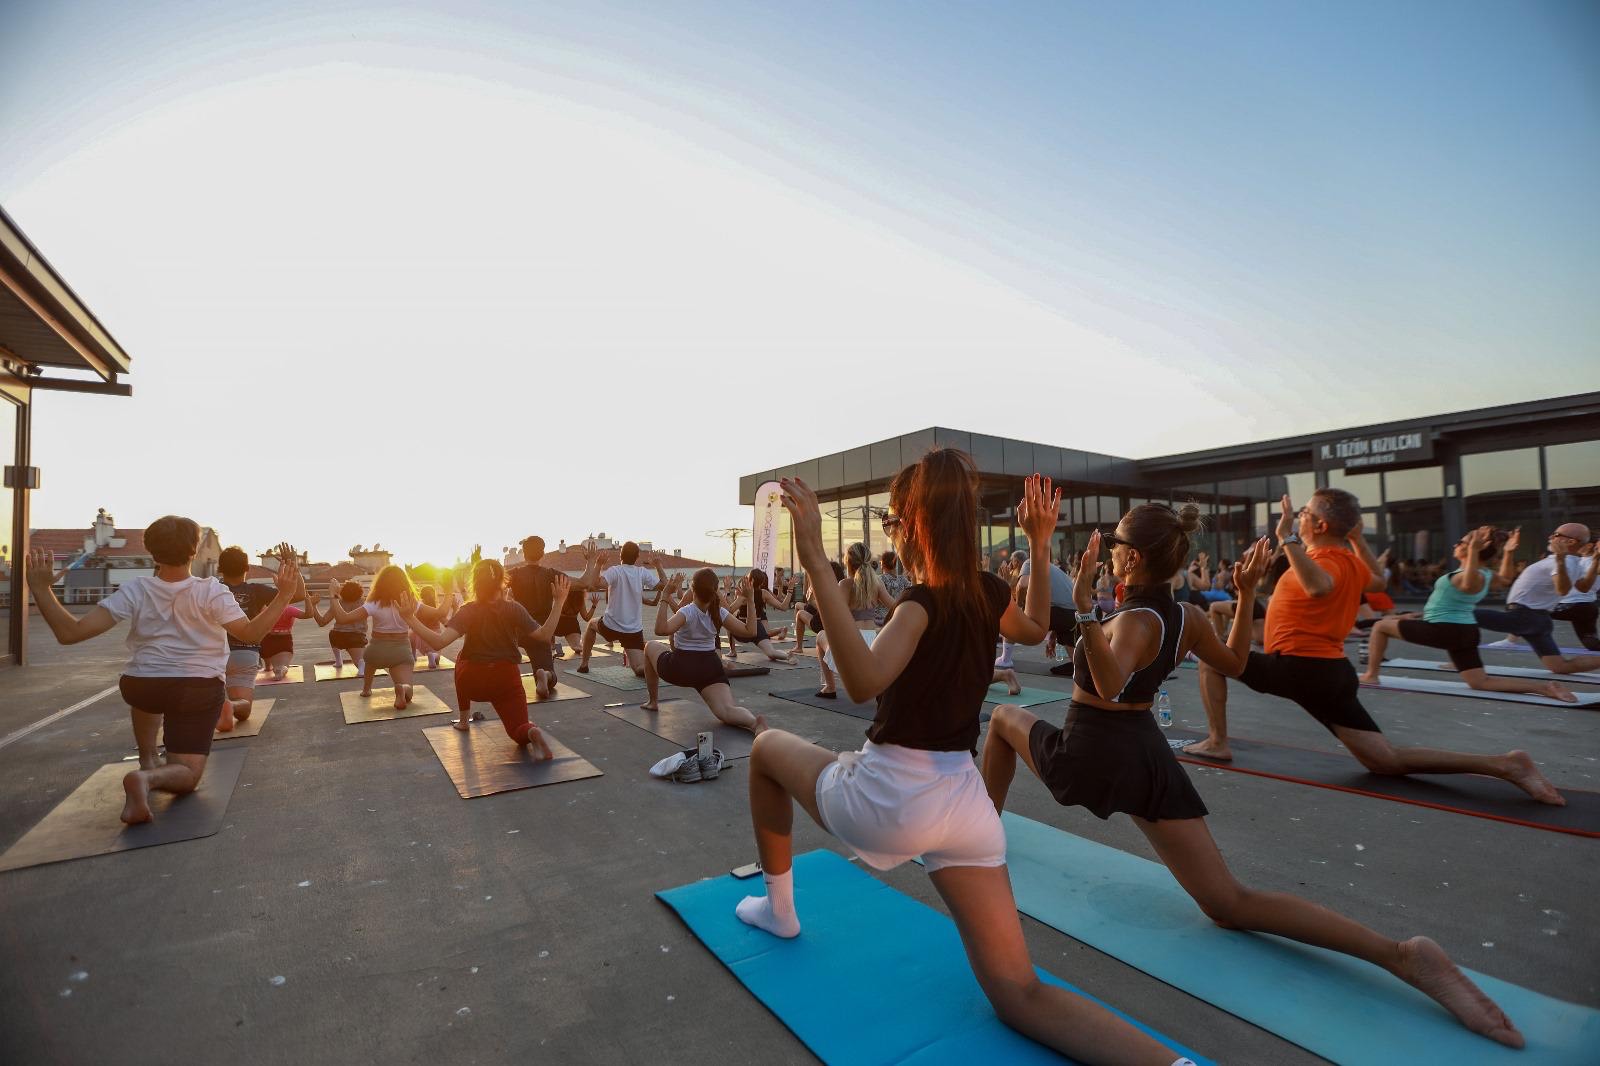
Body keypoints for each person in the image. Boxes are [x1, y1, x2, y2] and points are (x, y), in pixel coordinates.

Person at [980, 504, 1525, 1049]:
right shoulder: (1187, 617)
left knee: (1004, 718)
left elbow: (1109, 685)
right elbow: (1237, 662)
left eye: (1116, 546)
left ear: (1132, 557)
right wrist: (1243, 596)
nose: (1109, 555)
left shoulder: (1131, 620)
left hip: (1093, 751)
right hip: (1145, 754)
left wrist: (1082, 612)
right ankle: (1399, 954)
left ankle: (981, 831)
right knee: (1228, 904)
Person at [735, 459, 1205, 1064]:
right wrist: (1038, 545)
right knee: (1020, 991)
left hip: (888, 798)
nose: (890, 529)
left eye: (890, 519)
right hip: (964, 803)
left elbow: (859, 682)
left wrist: (815, 558)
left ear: (912, 527)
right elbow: (1036, 627)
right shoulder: (986, 591)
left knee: (768, 748)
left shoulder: (919, 605)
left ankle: (779, 910)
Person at [1180, 491, 1564, 807]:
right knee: (1385, 761)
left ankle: (1217, 742)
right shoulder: (1347, 558)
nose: (1298, 518)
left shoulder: (1324, 559)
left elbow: (1318, 587)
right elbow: (1378, 580)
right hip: (1329, 673)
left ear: (1319, 525)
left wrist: (1288, 539)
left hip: (1301, 668)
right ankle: (1507, 765)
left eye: (1304, 515)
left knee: (1213, 662)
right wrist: (1356, 539)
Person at [24, 521, 300, 825]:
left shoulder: (135, 589)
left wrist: (40, 588)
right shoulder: (211, 590)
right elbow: (251, 633)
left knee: (150, 687)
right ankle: (145, 780)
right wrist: (284, 595)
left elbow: (70, 633)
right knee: (187, 774)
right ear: (194, 551)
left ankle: (147, 758)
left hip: (140, 686)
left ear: (152, 552)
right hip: (195, 689)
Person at [1363, 527, 1575, 701]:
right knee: (1480, 682)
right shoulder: (1485, 574)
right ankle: (1544, 688)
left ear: (1473, 549)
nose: (1457, 545)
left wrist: (1473, 550)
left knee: (1380, 627)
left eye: (1461, 542)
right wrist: (1509, 552)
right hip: (1463, 631)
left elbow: (1468, 585)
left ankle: (1371, 675)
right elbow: (1505, 579)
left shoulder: (1473, 576)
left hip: (1445, 631)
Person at [401, 560, 568, 759]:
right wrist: (558, 602)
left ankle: (463, 721)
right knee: (518, 729)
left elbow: (439, 642)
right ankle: (532, 731)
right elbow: (544, 635)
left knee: (461, 658)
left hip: (473, 681)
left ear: (475, 583)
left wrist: (410, 618)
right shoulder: (513, 608)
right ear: (502, 581)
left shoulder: (468, 609)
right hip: (507, 679)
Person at [641, 569, 768, 732]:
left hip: (681, 668)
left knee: (650, 646)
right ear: (716, 591)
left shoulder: (687, 611)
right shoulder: (720, 612)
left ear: (692, 589)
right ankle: (753, 722)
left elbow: (660, 629)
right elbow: (750, 631)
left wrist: (665, 597)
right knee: (727, 711)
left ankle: (653, 702)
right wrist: (750, 600)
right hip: (710, 668)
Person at [1473, 523, 1600, 674]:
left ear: (1571, 542)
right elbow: (1584, 587)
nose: (1550, 537)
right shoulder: (1573, 562)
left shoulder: (1564, 561)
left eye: (1556, 535)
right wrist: (1596, 559)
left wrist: (1559, 559)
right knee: (1560, 667)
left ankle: (1465, 662)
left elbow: (1562, 590)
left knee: (1463, 615)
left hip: (1525, 615)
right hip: (1537, 618)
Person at [326, 565, 422, 708]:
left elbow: (342, 619)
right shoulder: (412, 602)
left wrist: (334, 595)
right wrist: (448, 593)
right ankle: (402, 688)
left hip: (376, 651)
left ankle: (366, 689)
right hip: (401, 652)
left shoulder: (374, 603)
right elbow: (439, 613)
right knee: (408, 691)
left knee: (369, 663)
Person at [217, 546, 289, 731]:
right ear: (246, 568)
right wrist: (291, 566)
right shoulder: (257, 590)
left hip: (212, 655)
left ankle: (211, 704)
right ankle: (232, 706)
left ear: (220, 569)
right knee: (243, 711)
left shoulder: (211, 589)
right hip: (244, 652)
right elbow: (294, 596)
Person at [814, 542, 896, 698]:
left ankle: (830, 688)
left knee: (819, 637)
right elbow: (895, 607)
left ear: (848, 563)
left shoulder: (845, 584)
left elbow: (836, 617)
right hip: (873, 642)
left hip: (852, 643)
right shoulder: (877, 583)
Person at [576, 542, 666, 677]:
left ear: (620, 556)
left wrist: (599, 564)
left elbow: (594, 585)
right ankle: (657, 668)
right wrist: (658, 565)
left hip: (611, 625)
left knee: (591, 625)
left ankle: (584, 665)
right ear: (636, 558)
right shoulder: (642, 572)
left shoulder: (615, 570)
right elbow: (663, 585)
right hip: (633, 630)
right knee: (639, 668)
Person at [509, 535, 569, 693]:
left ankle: (501, 672)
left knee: (503, 652)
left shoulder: (514, 574)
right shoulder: (551, 574)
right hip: (542, 630)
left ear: (523, 553)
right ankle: (545, 675)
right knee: (549, 674)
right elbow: (586, 582)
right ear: (543, 554)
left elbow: (488, 583)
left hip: (517, 630)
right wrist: (593, 563)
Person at [1020, 548, 1076, 677]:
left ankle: (1005, 658)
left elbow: (1022, 585)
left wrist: (1018, 606)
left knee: (1012, 614)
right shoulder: (1055, 569)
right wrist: (1053, 634)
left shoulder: (1029, 562)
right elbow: (1062, 605)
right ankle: (1076, 665)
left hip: (1059, 612)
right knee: (1066, 631)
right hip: (1074, 614)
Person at [724, 567, 796, 664]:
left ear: (749, 580)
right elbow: (783, 607)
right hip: (758, 627)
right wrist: (790, 589)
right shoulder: (764, 593)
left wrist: (727, 591)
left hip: (743, 628)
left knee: (728, 620)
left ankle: (732, 651)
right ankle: (787, 656)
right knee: (771, 653)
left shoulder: (744, 594)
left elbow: (730, 610)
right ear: (762, 582)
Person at [310, 580, 368, 674]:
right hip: (356, 638)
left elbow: (322, 622)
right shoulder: (364, 603)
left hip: (337, 637)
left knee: (332, 633)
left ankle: (338, 660)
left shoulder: (338, 603)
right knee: (361, 663)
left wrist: (313, 605)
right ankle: (361, 664)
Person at [1553, 535, 1600, 651]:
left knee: (1532, 610)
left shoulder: (1594, 562)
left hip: (1574, 605)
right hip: (1588, 607)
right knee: (1592, 644)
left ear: (1589, 545)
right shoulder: (1577, 560)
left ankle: (1511, 640)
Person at [793, 560, 846, 652]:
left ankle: (799, 646)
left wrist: (811, 600)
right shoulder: (843, 586)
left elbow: (824, 610)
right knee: (798, 605)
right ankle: (797, 629)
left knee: (800, 614)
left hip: (822, 624)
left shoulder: (826, 587)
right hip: (834, 621)